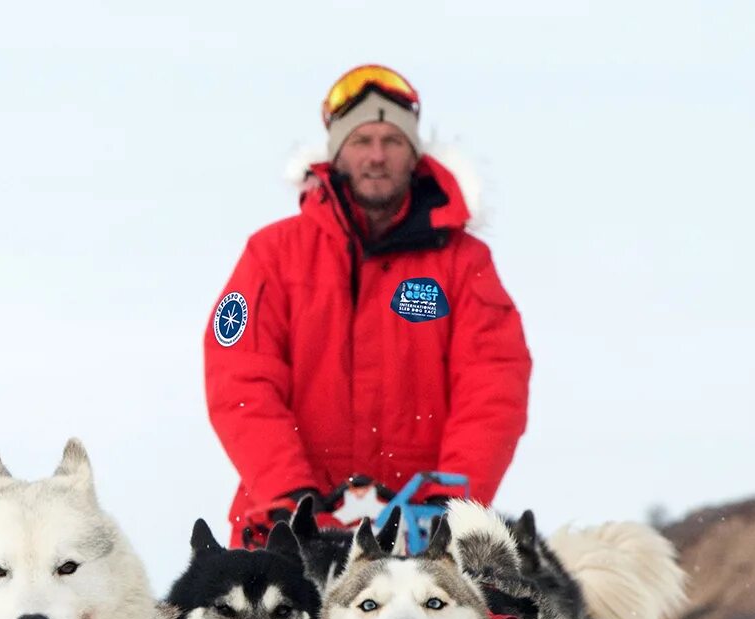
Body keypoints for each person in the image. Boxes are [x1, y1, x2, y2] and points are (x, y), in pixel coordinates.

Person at [204, 64, 532, 545]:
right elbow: (240, 382)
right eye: (361, 141)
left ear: (414, 155)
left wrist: (450, 502)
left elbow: (494, 387)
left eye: (392, 141)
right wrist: (292, 495)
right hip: (290, 535)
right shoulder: (271, 255)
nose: (377, 156)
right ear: (336, 153)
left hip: (422, 540)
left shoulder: (464, 264)